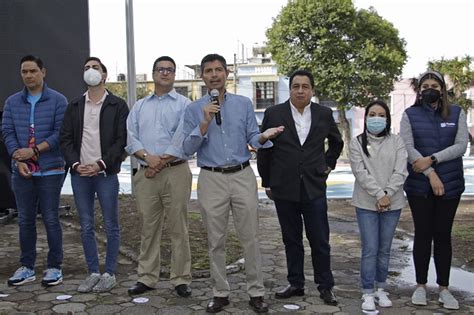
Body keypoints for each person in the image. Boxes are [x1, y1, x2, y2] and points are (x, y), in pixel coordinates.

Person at [182, 53, 283, 313]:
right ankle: (220, 292)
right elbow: (187, 147)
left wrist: (263, 136)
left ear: (227, 73)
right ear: (201, 76)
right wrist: (204, 121)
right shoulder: (194, 109)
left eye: (218, 69)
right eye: (208, 71)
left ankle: (256, 292)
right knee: (215, 240)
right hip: (211, 177)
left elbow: (252, 135)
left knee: (250, 237)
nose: (214, 74)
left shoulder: (243, 104)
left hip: (242, 175)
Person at [257, 69, 343, 306]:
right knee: (291, 239)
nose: (300, 90)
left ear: (312, 90)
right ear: (290, 88)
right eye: (296, 86)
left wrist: (327, 164)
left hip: (314, 187)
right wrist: (267, 181)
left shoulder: (324, 114)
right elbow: (264, 150)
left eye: (305, 86)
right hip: (284, 188)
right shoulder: (274, 113)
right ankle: (296, 283)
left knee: (320, 240)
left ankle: (325, 286)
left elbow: (337, 142)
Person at [400, 70, 468, 310]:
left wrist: (432, 160)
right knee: (422, 234)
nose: (430, 88)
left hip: (451, 184)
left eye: (434, 85)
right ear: (419, 90)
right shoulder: (410, 114)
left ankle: (444, 288)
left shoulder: (457, 112)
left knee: (442, 235)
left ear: (442, 89)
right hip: (420, 185)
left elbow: (461, 146)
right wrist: (430, 174)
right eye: (425, 85)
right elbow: (408, 147)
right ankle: (420, 286)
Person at [60, 57, 129, 292]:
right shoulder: (75, 105)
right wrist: (76, 164)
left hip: (105, 173)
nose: (91, 71)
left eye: (95, 68)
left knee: (111, 224)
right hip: (80, 175)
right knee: (86, 225)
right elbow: (66, 139)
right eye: (87, 68)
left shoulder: (117, 105)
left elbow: (121, 141)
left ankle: (109, 273)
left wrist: (101, 164)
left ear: (104, 75)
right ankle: (92, 272)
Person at [126, 56, 193, 298]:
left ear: (174, 75)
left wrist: (161, 162)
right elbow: (130, 137)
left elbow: (182, 136)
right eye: (160, 69)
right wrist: (148, 158)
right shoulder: (139, 106)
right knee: (148, 228)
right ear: (153, 73)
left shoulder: (185, 104)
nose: (165, 73)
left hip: (175, 172)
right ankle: (146, 277)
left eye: (170, 70)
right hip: (146, 175)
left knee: (179, 227)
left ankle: (181, 279)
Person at [2, 55, 67, 286]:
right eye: (24, 72)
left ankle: (54, 267)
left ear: (43, 72)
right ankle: (27, 267)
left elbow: (61, 133)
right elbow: (7, 132)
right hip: (21, 170)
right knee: (25, 219)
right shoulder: (11, 102)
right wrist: (17, 157)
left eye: (33, 71)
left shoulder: (58, 101)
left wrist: (34, 151)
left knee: (50, 218)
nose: (28, 75)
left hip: (50, 170)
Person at [349, 100, 408, 311]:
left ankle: (381, 289)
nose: (376, 118)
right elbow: (360, 172)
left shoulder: (397, 142)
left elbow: (401, 170)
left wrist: (387, 194)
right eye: (372, 114)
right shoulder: (356, 142)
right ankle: (367, 292)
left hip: (393, 203)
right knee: (370, 249)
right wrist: (378, 194)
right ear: (366, 118)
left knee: (384, 249)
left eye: (381, 115)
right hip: (366, 203)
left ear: (387, 118)